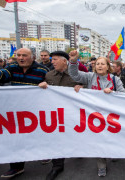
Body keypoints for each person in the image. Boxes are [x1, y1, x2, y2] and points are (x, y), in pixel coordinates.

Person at [0, 48, 49, 178]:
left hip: (35, 110)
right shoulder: (12, 67)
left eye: (24, 55)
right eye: (18, 55)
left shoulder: (42, 70)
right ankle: (16, 167)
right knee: (15, 137)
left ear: (32, 57)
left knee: (38, 134)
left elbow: (52, 85)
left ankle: (44, 153)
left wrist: (46, 85)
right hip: (16, 111)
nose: (21, 58)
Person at [68, 50, 125, 177]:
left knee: (110, 138)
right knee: (99, 140)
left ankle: (112, 152)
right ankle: (101, 165)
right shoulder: (89, 77)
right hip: (94, 115)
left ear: (108, 66)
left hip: (111, 116)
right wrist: (72, 61)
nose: (99, 66)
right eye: (97, 64)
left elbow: (123, 95)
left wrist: (113, 93)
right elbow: (74, 75)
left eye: (102, 64)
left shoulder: (115, 79)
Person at [38, 51, 83, 180]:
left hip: (73, 113)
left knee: (76, 135)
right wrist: (41, 87)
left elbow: (86, 87)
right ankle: (57, 166)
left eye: (55, 59)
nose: (52, 62)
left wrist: (81, 86)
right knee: (56, 138)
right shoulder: (49, 75)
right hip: (55, 114)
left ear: (65, 61)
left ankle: (79, 149)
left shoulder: (76, 75)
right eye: (52, 59)